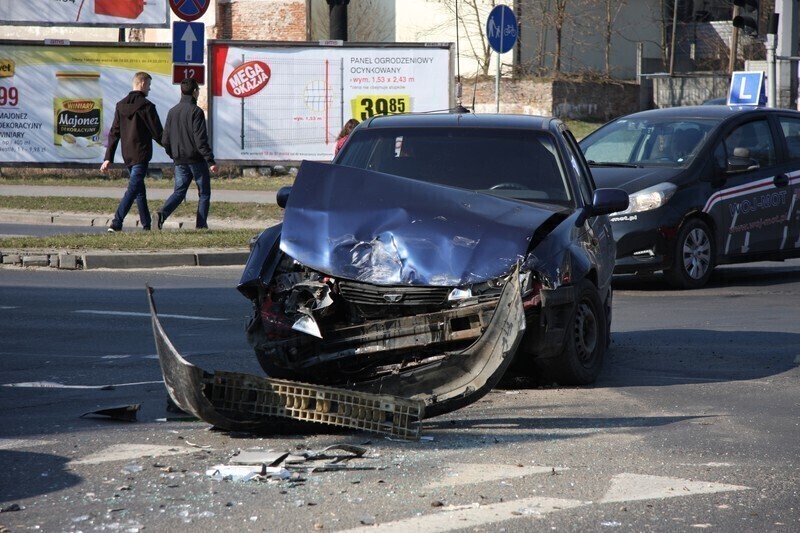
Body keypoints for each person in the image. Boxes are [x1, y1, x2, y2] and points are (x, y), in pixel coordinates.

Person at [101, 71, 164, 232]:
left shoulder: (120, 105)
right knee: (133, 189)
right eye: (149, 85)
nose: (149, 89)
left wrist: (108, 157)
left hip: (127, 154)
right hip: (141, 154)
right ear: (142, 84)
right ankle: (117, 222)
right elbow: (158, 133)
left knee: (139, 190)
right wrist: (173, 148)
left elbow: (114, 133)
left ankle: (147, 225)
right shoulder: (147, 106)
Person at [157, 78, 218, 230]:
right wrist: (210, 161)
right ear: (195, 92)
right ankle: (201, 225)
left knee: (179, 192)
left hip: (179, 160)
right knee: (204, 193)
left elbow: (165, 139)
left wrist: (173, 154)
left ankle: (161, 215)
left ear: (181, 91)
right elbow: (200, 139)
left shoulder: (172, 112)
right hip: (196, 159)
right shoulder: (196, 112)